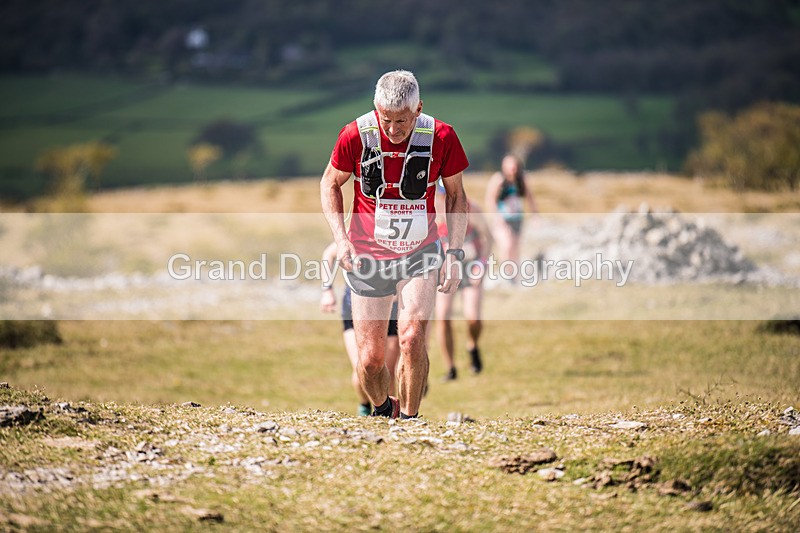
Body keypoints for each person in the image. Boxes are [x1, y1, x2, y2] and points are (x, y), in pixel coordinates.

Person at [320, 70, 469, 419]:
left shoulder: (442, 136)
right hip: (367, 255)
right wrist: (340, 240)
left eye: (402, 121)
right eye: (386, 119)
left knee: (412, 336)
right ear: (376, 108)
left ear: (419, 109)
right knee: (371, 361)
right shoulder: (355, 134)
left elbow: (458, 196)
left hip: (421, 251)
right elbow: (329, 184)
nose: (393, 130)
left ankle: (411, 420)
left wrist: (455, 254)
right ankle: (384, 410)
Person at [319, 242, 400, 416]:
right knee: (363, 366)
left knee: (388, 370)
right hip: (355, 309)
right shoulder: (359, 232)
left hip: (392, 309)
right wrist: (327, 290)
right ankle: (364, 405)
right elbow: (329, 253)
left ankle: (390, 412)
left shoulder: (397, 235)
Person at [434, 181, 493, 381]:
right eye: (443, 192)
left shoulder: (471, 208)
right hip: (445, 268)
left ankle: (472, 345)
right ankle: (450, 367)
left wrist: (482, 264)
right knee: (443, 317)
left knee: (473, 317)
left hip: (471, 265)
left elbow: (488, 238)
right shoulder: (433, 209)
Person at [484, 154, 537, 280]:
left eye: (514, 166)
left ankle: (515, 277)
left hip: (517, 218)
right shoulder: (499, 180)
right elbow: (490, 199)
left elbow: (530, 198)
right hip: (502, 219)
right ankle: (506, 275)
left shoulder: (521, 180)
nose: (512, 168)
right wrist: (496, 216)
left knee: (515, 248)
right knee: (506, 245)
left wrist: (535, 215)